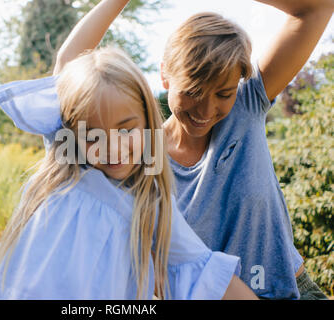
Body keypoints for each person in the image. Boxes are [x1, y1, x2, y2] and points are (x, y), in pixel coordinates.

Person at [0, 0, 258, 300]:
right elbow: (69, 62)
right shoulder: (69, 161)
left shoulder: (151, 204)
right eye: (93, 136)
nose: (112, 148)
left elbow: (205, 272)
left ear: (148, 122)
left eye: (126, 130)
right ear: (72, 131)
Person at [67, 0, 333, 299]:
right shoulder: (142, 154)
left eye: (223, 93)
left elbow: (317, 8)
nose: (206, 110)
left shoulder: (245, 107)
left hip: (295, 292)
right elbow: (66, 76)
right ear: (165, 75)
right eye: (193, 91)